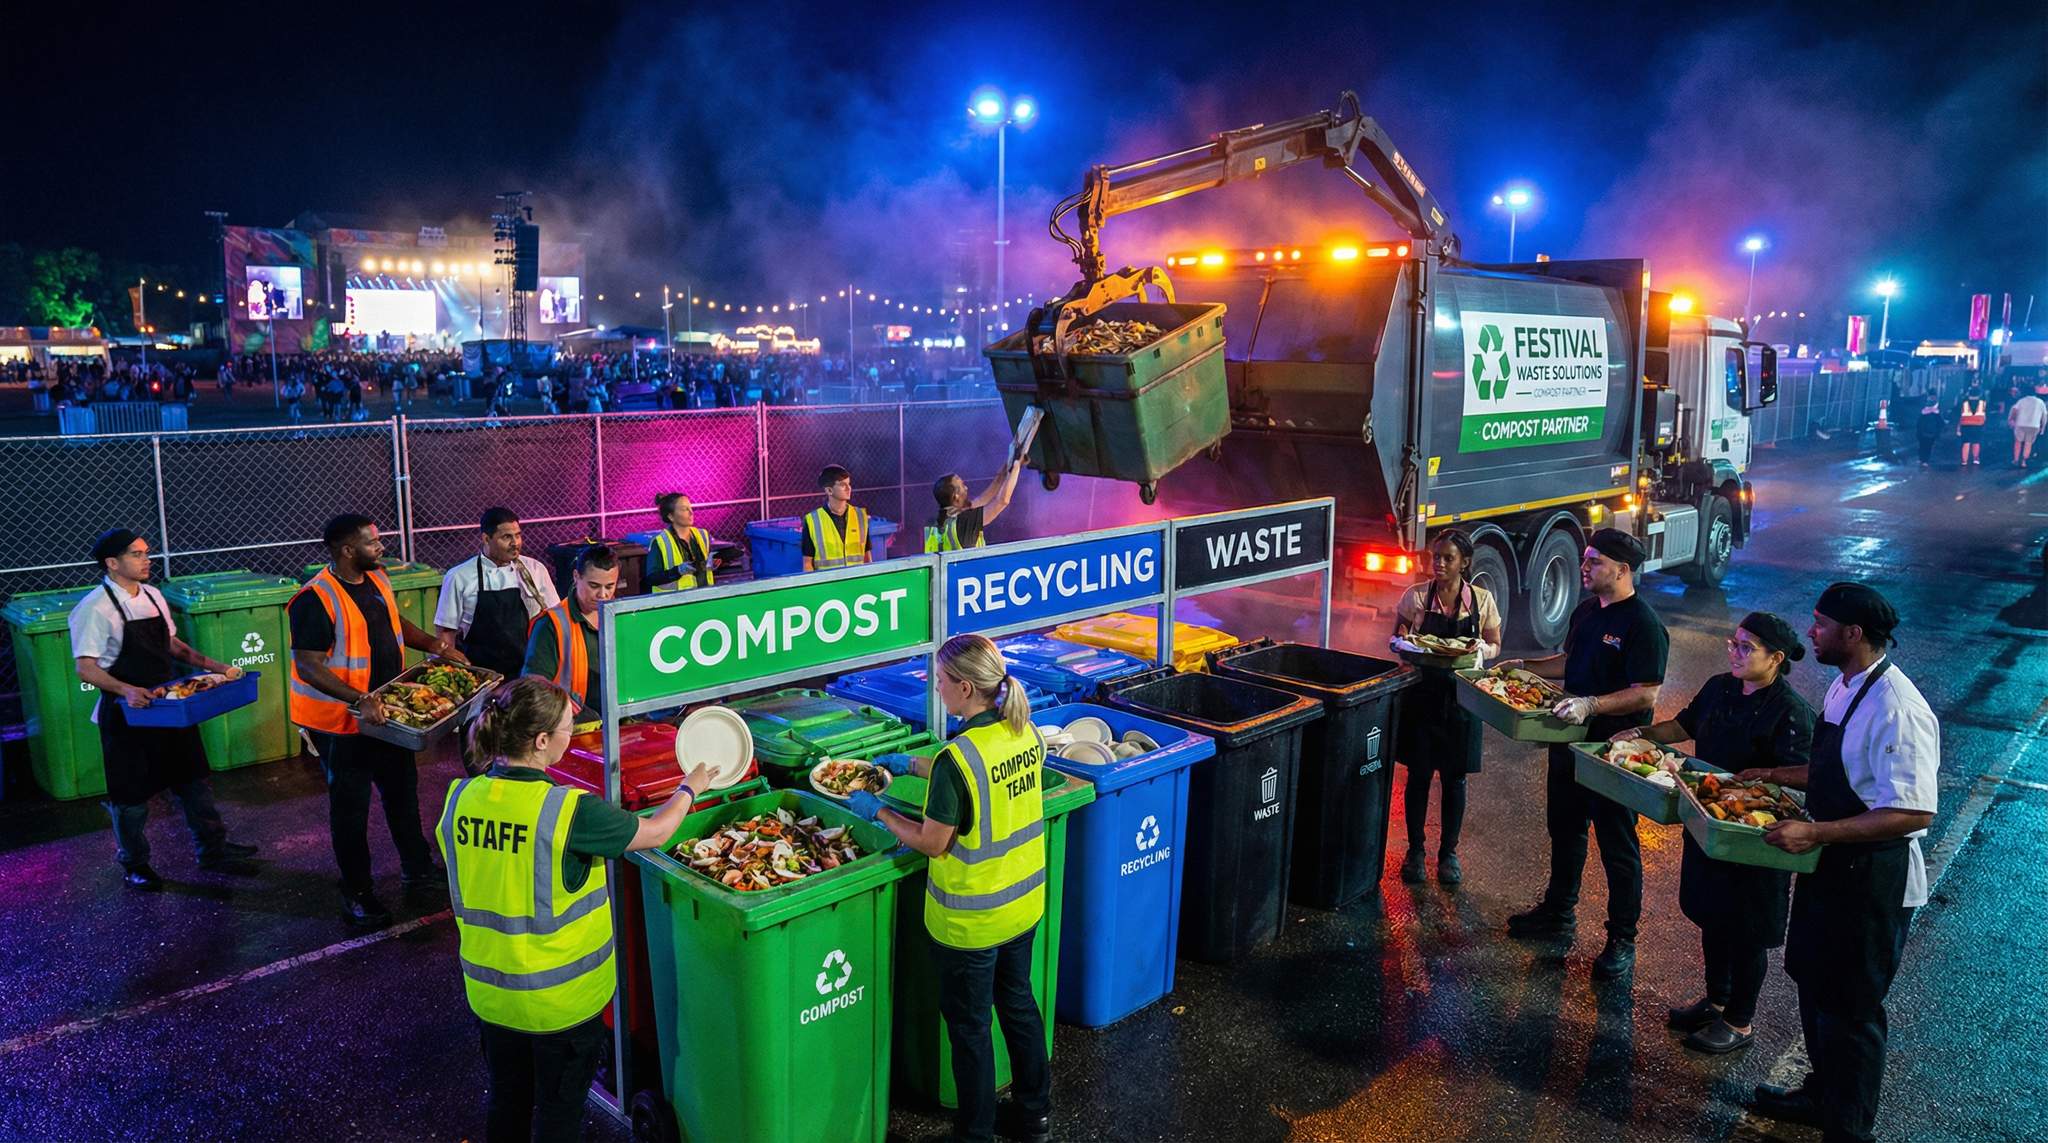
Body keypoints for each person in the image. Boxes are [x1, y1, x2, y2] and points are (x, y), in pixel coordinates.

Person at [439, 677, 714, 1143]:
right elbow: (655, 833)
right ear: (541, 740)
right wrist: (691, 786)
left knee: (507, 1102)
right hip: (560, 1006)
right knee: (559, 1114)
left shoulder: (458, 798)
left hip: (491, 995)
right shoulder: (567, 811)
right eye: (569, 727)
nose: (574, 735)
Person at [1747, 584, 1940, 1143]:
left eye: (1821, 623)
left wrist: (1815, 831)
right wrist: (1773, 776)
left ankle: (1850, 1129)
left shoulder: (1898, 708)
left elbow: (1912, 810)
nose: (1811, 632)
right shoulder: (1844, 685)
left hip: (1873, 880)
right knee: (1815, 985)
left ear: (1852, 634)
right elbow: (1837, 770)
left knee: (1852, 1007)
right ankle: (1822, 1094)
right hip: (1830, 866)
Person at [846, 634, 1052, 1143]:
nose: (936, 689)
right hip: (1023, 905)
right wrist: (910, 764)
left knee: (970, 1029)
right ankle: (1035, 1117)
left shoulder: (957, 759)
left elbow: (932, 842)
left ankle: (975, 1133)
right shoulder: (1024, 732)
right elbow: (982, 784)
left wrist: (878, 811)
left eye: (939, 681)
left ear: (964, 688)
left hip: (971, 922)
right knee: (1019, 1007)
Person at [1608, 612, 1814, 1054]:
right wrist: (1641, 733)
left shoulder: (1790, 711)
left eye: (1747, 648)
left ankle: (1739, 1021)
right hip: (1707, 823)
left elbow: (1803, 778)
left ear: (1776, 658)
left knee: (1746, 930)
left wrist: (1761, 779)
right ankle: (1717, 999)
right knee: (1712, 916)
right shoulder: (1720, 687)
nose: (1735, 653)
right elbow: (1682, 727)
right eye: (1733, 643)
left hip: (1753, 837)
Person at [1501, 528, 1668, 980]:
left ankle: (1622, 938)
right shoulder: (1586, 611)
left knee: (1617, 844)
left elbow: (1645, 693)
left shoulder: (1644, 625)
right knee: (1566, 827)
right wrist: (1524, 666)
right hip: (1569, 738)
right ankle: (1558, 912)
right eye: (1585, 558)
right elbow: (1568, 662)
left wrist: (1591, 704)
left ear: (1622, 570)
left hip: (1613, 750)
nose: (1584, 567)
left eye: (1594, 561)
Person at [291, 513, 470, 928]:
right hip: (343, 724)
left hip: (387, 714)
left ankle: (417, 869)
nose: (381, 547)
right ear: (347, 550)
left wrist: (435, 645)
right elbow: (308, 665)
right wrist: (360, 699)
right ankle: (356, 892)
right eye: (372, 543)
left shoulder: (377, 578)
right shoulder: (314, 599)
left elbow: (393, 622)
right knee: (350, 809)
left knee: (402, 793)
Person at [69, 528, 260, 889]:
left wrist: (219, 668)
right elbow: (86, 668)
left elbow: (174, 646)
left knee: (194, 781)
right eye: (137, 554)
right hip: (127, 713)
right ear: (112, 563)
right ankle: (135, 864)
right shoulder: (94, 608)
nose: (147, 560)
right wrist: (126, 689)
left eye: (146, 552)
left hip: (170, 706)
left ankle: (213, 850)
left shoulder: (153, 596)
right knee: (131, 798)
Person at [1389, 530, 1503, 885]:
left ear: (1464, 562)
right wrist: (1403, 645)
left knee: (1455, 778)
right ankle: (1415, 851)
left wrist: (1481, 651)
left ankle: (1448, 853)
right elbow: (1397, 637)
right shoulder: (1416, 596)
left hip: (1462, 697)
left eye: (1448, 558)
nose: (1438, 564)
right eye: (1435, 556)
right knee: (1419, 775)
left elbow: (1495, 643)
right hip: (1422, 695)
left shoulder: (1481, 600)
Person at [435, 507, 560, 679]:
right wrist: (452, 675)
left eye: (518, 535)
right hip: (481, 675)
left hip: (528, 673)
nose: (515, 543)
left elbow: (555, 618)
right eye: (506, 537)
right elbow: (446, 632)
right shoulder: (459, 577)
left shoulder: (535, 570)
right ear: (486, 539)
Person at [522, 545, 619, 732]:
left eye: (609, 586)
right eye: (594, 586)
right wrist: (565, 702)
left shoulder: (622, 615)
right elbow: (533, 682)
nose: (603, 595)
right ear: (576, 577)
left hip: (619, 723)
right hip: (570, 729)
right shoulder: (551, 624)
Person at [924, 460, 1022, 552]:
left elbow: (982, 499)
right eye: (962, 485)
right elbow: (1002, 501)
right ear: (956, 496)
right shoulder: (964, 520)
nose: (966, 488)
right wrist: (1016, 468)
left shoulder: (933, 524)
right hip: (965, 565)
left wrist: (1009, 464)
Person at [801, 464, 871, 571]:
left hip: (857, 580)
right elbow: (807, 563)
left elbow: (867, 558)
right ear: (829, 490)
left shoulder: (860, 516)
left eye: (849, 484)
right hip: (827, 581)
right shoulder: (812, 521)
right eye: (843, 485)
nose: (848, 488)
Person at [645, 493, 715, 593]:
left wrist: (717, 562)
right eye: (684, 509)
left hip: (705, 595)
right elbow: (652, 578)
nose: (691, 512)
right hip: (675, 600)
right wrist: (678, 571)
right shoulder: (660, 542)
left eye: (690, 507)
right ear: (671, 516)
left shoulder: (702, 535)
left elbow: (706, 566)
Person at [2009, 385, 2045, 468]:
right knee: (2028, 443)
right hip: (2034, 425)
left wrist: (2012, 420)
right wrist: (2042, 427)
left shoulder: (2021, 401)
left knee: (2018, 442)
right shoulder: (2040, 402)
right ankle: (2023, 462)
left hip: (2020, 424)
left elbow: (2014, 410)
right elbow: (2044, 415)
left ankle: (2016, 460)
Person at [1956, 384, 1987, 466]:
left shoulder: (1964, 402)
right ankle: (1975, 458)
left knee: (1966, 442)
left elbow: (1960, 414)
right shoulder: (1982, 403)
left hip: (1965, 424)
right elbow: (1985, 414)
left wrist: (1958, 427)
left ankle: (1964, 461)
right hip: (1978, 424)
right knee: (1976, 442)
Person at [1913, 394, 1944, 469]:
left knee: (1922, 446)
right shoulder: (1936, 413)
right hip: (1931, 433)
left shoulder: (1922, 412)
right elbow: (1941, 423)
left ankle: (1922, 459)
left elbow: (1918, 423)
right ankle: (1925, 461)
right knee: (1928, 447)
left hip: (1922, 433)